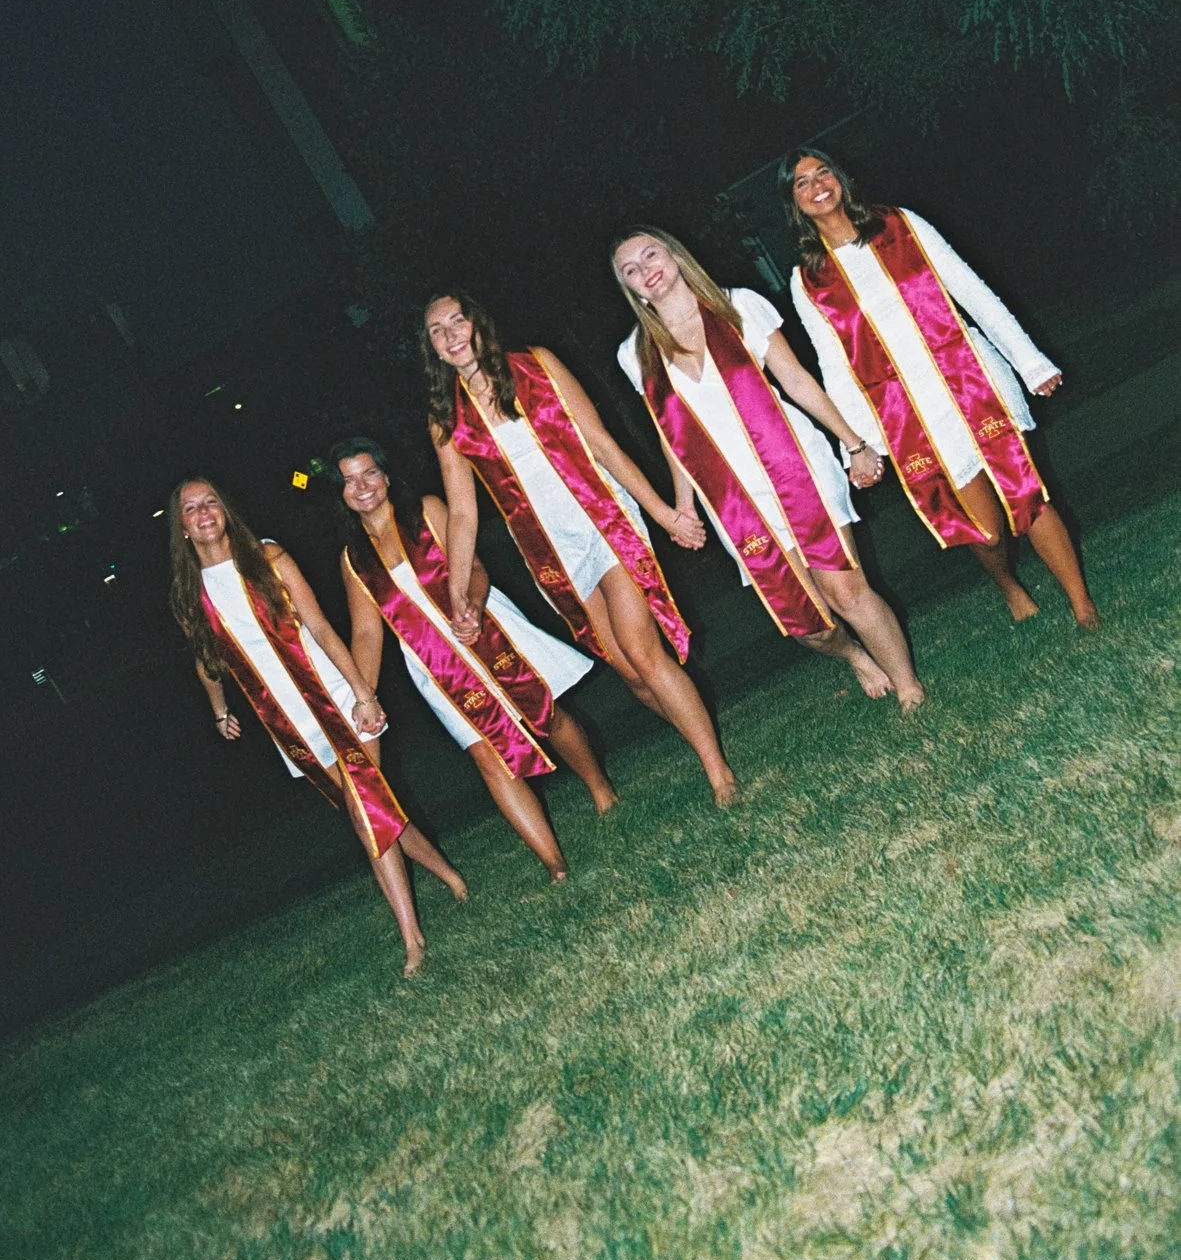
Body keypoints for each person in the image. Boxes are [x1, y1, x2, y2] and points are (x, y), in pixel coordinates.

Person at [423, 293, 738, 805]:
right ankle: (696, 731)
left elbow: (601, 442)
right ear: (433, 349)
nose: (451, 334)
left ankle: (718, 771)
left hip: (603, 518)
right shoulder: (447, 420)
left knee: (642, 649)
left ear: (479, 326)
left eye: (458, 321)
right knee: (631, 675)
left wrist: (662, 512)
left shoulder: (537, 364)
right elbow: (462, 514)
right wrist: (458, 595)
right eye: (438, 330)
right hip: (550, 552)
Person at [782, 148, 1098, 627]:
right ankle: (1008, 585)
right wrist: (858, 446)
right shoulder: (808, 279)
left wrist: (1030, 362)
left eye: (822, 171)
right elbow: (835, 365)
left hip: (973, 377)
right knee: (986, 532)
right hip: (911, 412)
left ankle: (1083, 606)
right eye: (801, 182)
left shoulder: (899, 224)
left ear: (840, 177)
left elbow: (971, 290)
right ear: (794, 202)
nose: (817, 185)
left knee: (1028, 495)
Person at [611, 228, 925, 711]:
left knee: (845, 590)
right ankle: (853, 653)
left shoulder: (738, 306)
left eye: (650, 255)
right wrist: (682, 506)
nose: (645, 270)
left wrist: (854, 443)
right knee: (808, 624)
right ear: (630, 288)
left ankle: (908, 685)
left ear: (674, 255)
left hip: (798, 468)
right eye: (630, 270)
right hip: (733, 500)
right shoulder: (635, 353)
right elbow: (670, 434)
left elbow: (797, 380)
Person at [169, 478, 467, 977]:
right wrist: (219, 710)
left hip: (337, 698)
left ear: (226, 509)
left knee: (363, 809)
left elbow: (324, 628)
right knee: (374, 810)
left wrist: (364, 694)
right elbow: (206, 658)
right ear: (181, 528)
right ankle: (451, 877)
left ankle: (412, 938)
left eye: (211, 502)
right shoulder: (189, 595)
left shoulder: (268, 558)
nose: (204, 513)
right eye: (191, 508)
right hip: (287, 721)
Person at [333, 436, 618, 882]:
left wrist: (473, 605)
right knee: (486, 754)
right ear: (342, 493)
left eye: (369, 472)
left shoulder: (425, 509)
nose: (362, 485)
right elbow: (368, 632)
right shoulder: (354, 560)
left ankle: (602, 792)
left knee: (546, 714)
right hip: (433, 666)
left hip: (486, 624)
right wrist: (364, 695)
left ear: (386, 476)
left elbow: (477, 568)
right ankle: (554, 863)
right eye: (349, 480)